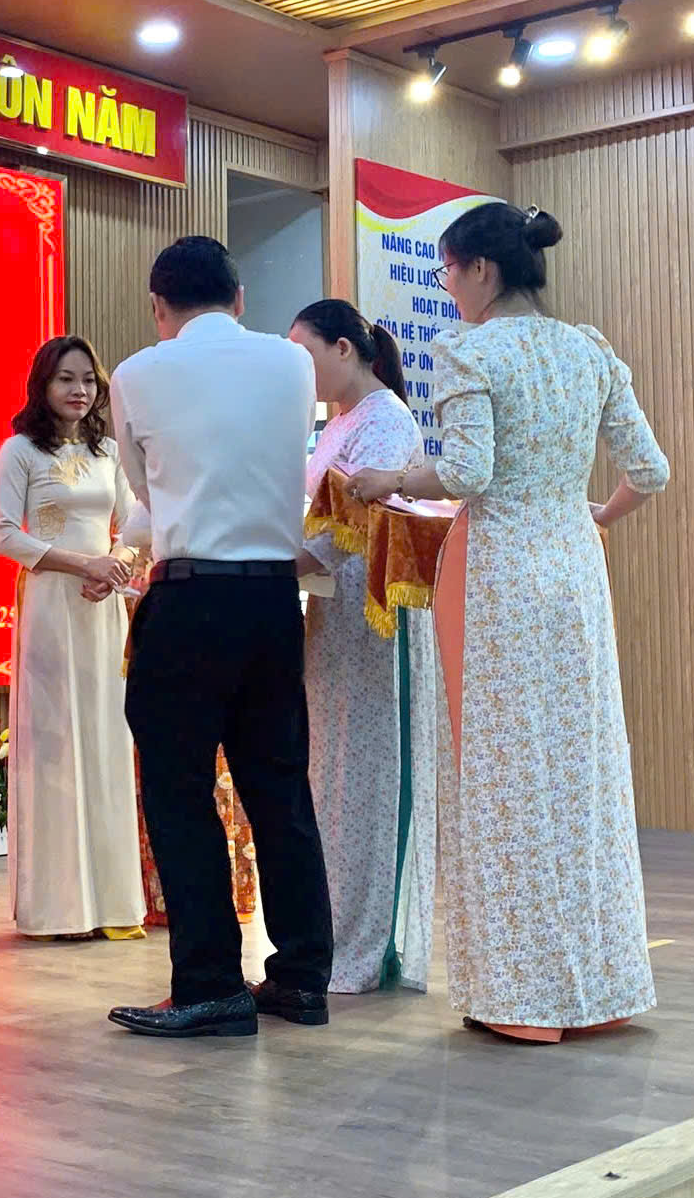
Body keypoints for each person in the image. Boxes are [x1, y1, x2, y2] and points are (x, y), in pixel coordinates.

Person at [348, 202, 668, 1044]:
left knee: (500, 772)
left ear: (480, 270)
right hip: (573, 569)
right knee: (581, 771)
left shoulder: (470, 349)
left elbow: (465, 471)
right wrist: (594, 513)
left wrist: (390, 478)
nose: (448, 286)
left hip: (499, 574)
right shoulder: (587, 348)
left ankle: (522, 996)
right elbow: (649, 470)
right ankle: (601, 986)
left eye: (448, 271)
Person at [106, 235, 331, 1038]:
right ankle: (301, 978)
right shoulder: (290, 362)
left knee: (179, 792)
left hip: (189, 593)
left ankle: (209, 984)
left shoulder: (136, 373)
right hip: (271, 598)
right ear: (239, 298)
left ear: (157, 307)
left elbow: (146, 491)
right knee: (280, 789)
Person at [290, 298, 437, 995]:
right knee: (334, 777)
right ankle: (334, 936)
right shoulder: (340, 421)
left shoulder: (386, 420)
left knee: (368, 780)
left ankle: (365, 945)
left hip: (374, 616)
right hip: (333, 614)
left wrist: (275, 565)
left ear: (344, 349)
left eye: (306, 352)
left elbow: (349, 527)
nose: (299, 369)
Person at [0, 335, 148, 940]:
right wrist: (84, 564)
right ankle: (60, 909)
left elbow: (136, 524)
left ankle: (112, 905)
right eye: (65, 379)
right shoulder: (20, 452)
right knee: (54, 745)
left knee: (107, 740)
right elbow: (6, 535)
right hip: (52, 608)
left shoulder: (110, 451)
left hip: (104, 608)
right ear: (43, 384)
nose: (79, 390)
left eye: (87, 379)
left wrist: (116, 566)